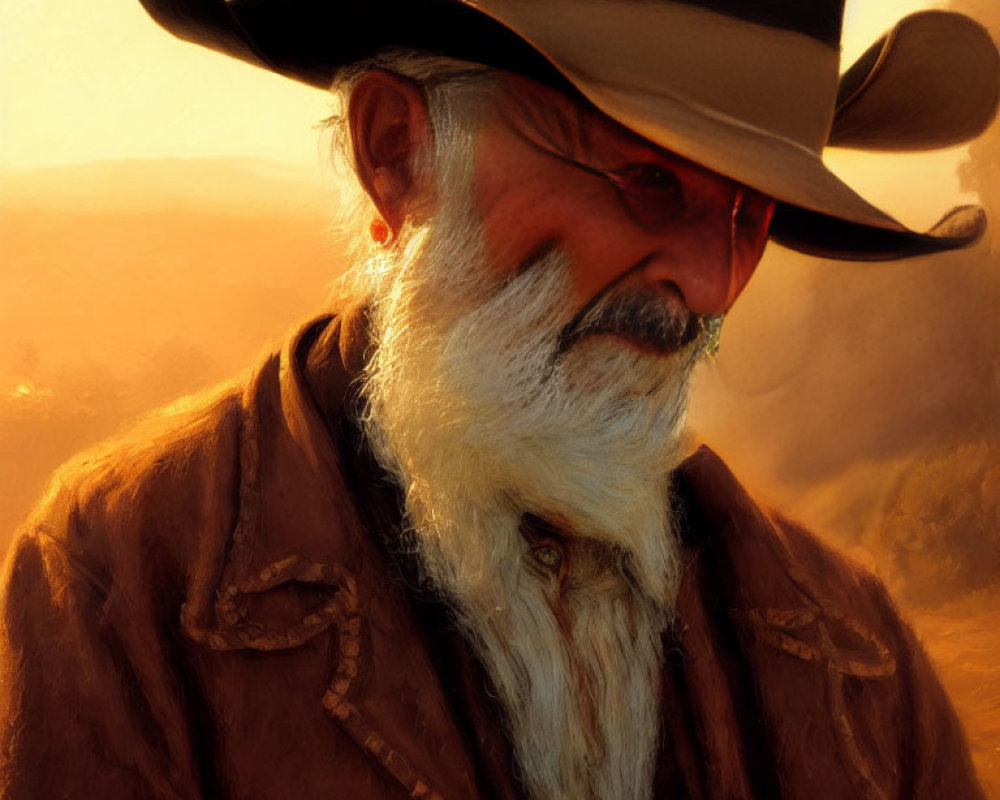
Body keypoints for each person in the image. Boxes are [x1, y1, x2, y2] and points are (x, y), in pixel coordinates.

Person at [1, 1, 997, 798]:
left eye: (750, 215)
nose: (705, 283)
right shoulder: (124, 580)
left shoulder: (855, 655)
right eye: (649, 181)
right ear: (395, 151)